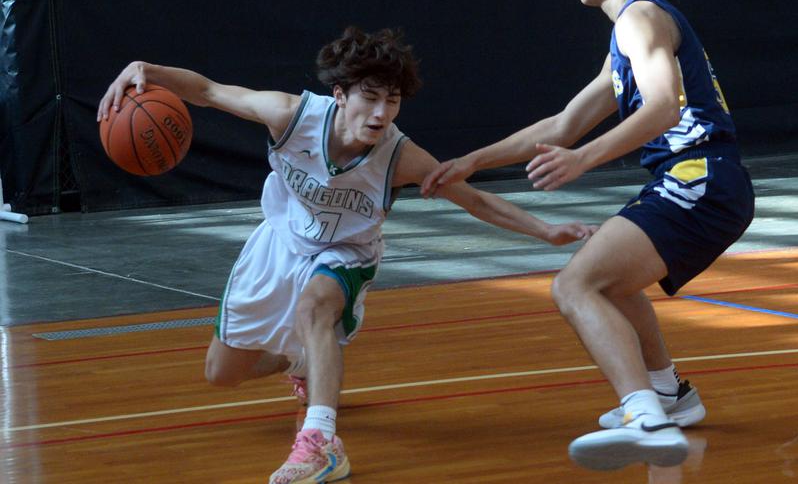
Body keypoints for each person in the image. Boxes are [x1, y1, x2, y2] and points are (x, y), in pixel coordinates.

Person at [97, 26, 595, 484]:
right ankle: (299, 359)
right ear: (340, 95)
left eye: (392, 100)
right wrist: (148, 70)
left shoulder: (400, 156)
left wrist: (545, 230)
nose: (381, 113)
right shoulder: (289, 116)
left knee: (317, 306)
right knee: (220, 374)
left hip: (346, 253)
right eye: (370, 98)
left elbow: (474, 198)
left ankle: (320, 444)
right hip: (280, 242)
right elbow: (207, 92)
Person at [421, 0, 755, 471]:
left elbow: (664, 108)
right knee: (614, 284)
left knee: (575, 285)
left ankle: (644, 416)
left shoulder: (640, 17)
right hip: (705, 183)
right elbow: (560, 125)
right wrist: (472, 161)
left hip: (701, 179)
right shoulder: (626, 33)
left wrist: (583, 160)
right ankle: (671, 396)